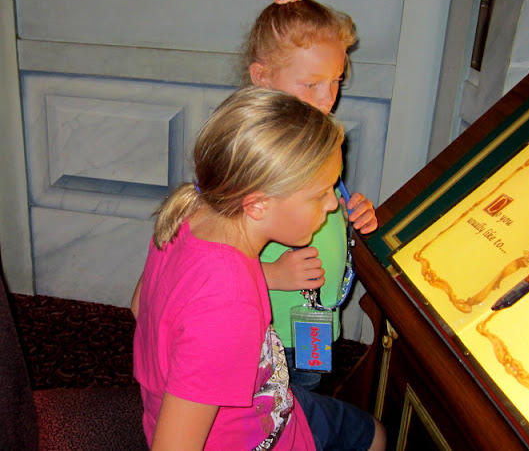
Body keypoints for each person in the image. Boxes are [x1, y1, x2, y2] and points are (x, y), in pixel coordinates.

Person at [133, 86, 385, 450]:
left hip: (264, 402)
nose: (333, 204)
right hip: (249, 437)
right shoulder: (229, 304)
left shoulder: (192, 212)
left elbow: (139, 306)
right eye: (319, 194)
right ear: (257, 205)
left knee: (372, 432)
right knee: (372, 436)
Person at [242, 0, 378, 390]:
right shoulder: (252, 153)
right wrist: (271, 274)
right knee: (270, 412)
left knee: (307, 402)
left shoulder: (321, 137)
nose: (327, 97)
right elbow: (211, 253)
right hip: (268, 331)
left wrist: (352, 211)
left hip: (314, 322)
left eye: (335, 81)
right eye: (311, 83)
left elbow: (324, 205)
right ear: (262, 77)